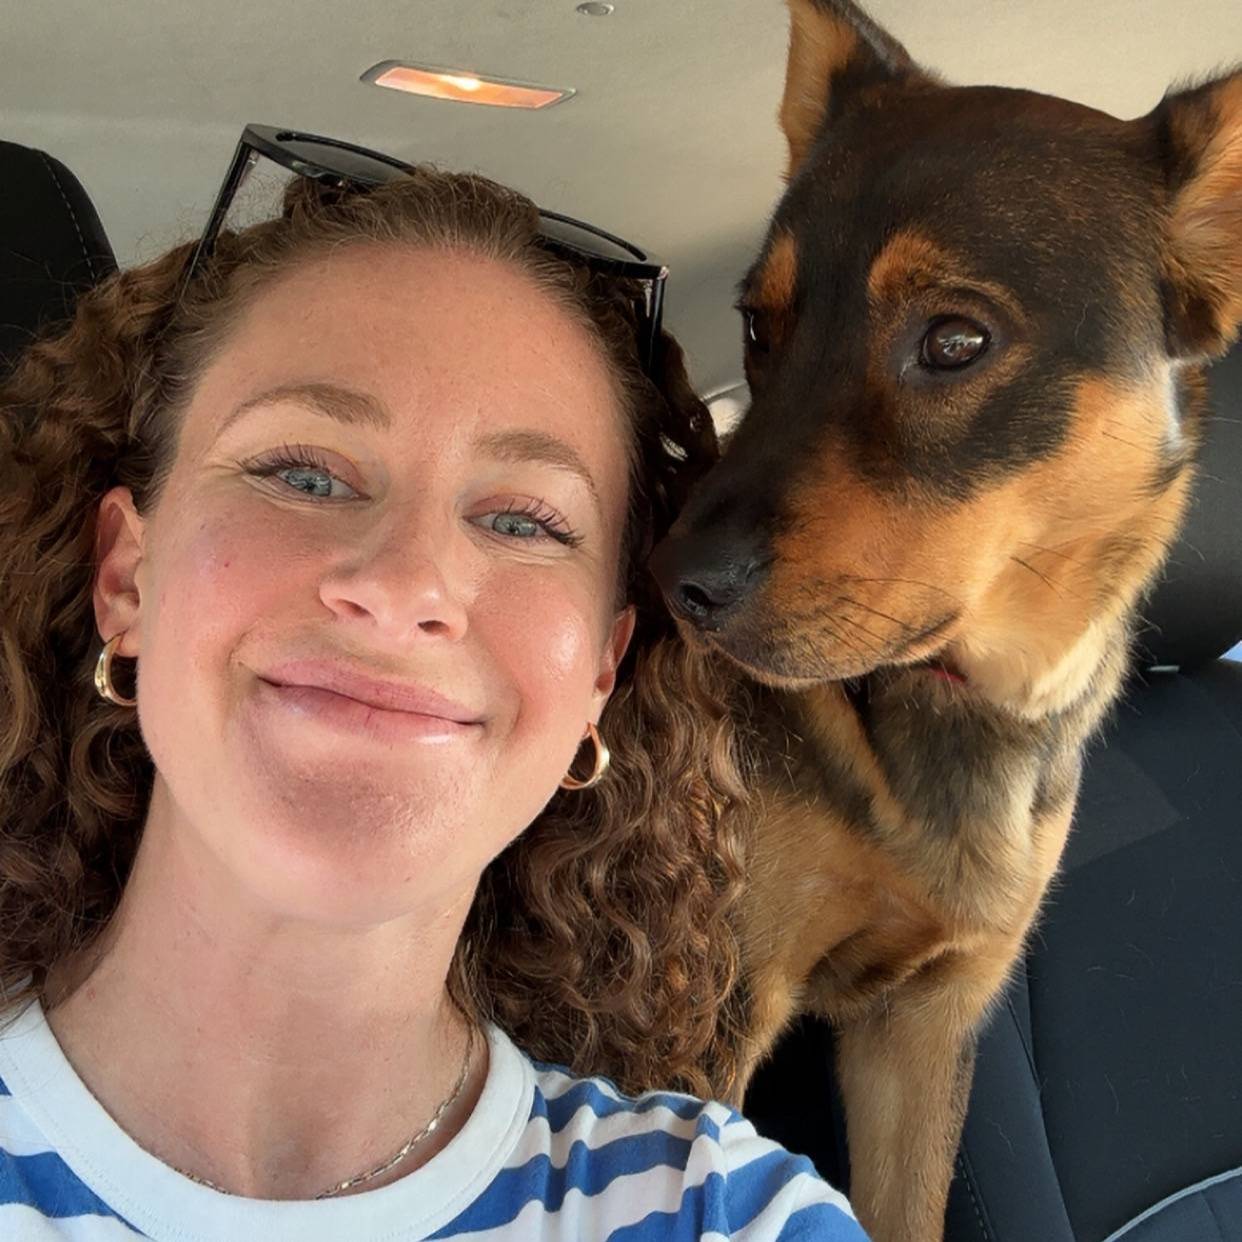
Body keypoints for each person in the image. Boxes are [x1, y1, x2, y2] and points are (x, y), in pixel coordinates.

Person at [0, 127, 867, 1240]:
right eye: (304, 472)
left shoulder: (723, 1215)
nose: (407, 584)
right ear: (128, 577)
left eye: (524, 520)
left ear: (599, 675)